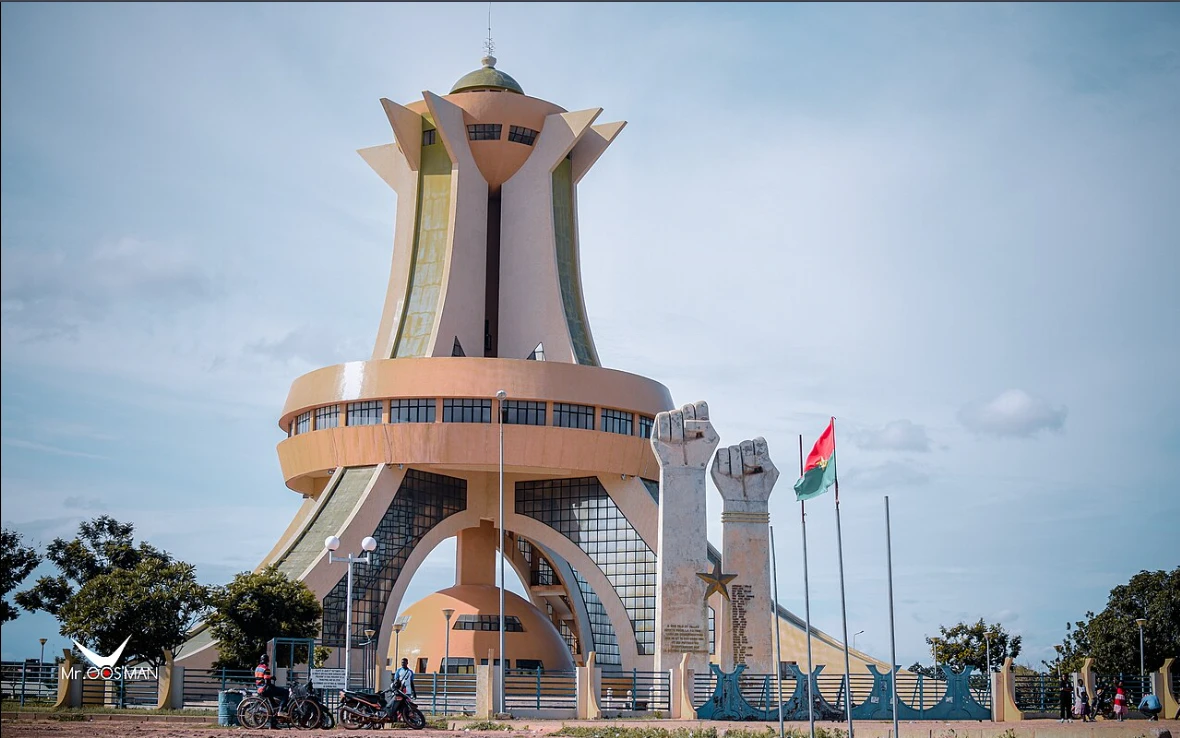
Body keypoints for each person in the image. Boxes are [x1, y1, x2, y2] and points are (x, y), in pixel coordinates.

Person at [254, 653, 290, 728]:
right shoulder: (266, 668)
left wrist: (271, 677)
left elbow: (261, 678)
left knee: (273, 706)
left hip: (259, 688)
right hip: (265, 689)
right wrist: (272, 684)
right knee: (285, 692)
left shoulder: (257, 668)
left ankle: (273, 724)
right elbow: (267, 681)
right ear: (267, 661)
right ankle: (280, 710)